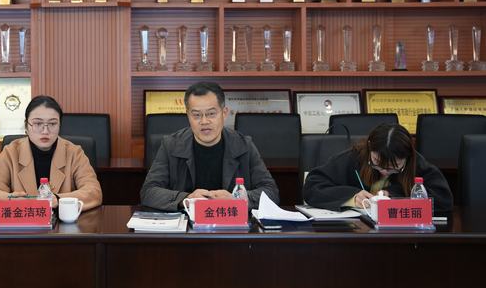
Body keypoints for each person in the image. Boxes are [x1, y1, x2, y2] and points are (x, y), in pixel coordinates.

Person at [140, 82, 279, 211]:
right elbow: (148, 191)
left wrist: (236, 199)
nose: (204, 121)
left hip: (230, 222)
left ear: (224, 113)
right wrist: (186, 199)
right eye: (196, 115)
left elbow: (271, 192)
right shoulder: (171, 145)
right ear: (188, 116)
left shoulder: (244, 145)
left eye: (211, 114)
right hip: (187, 224)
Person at [0, 95, 102, 211]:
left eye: (52, 124)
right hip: (23, 223)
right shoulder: (11, 152)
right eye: (38, 123)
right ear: (26, 126)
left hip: (62, 224)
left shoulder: (74, 153)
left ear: (60, 126)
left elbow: (93, 192)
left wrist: (58, 199)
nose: (45, 131)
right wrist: (11, 200)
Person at [303, 123, 453, 212]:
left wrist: (394, 196)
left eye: (394, 167)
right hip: (355, 232)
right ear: (370, 147)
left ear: (407, 156)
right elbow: (312, 186)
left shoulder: (416, 163)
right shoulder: (353, 158)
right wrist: (352, 197)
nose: (384, 171)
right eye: (376, 162)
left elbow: (444, 200)